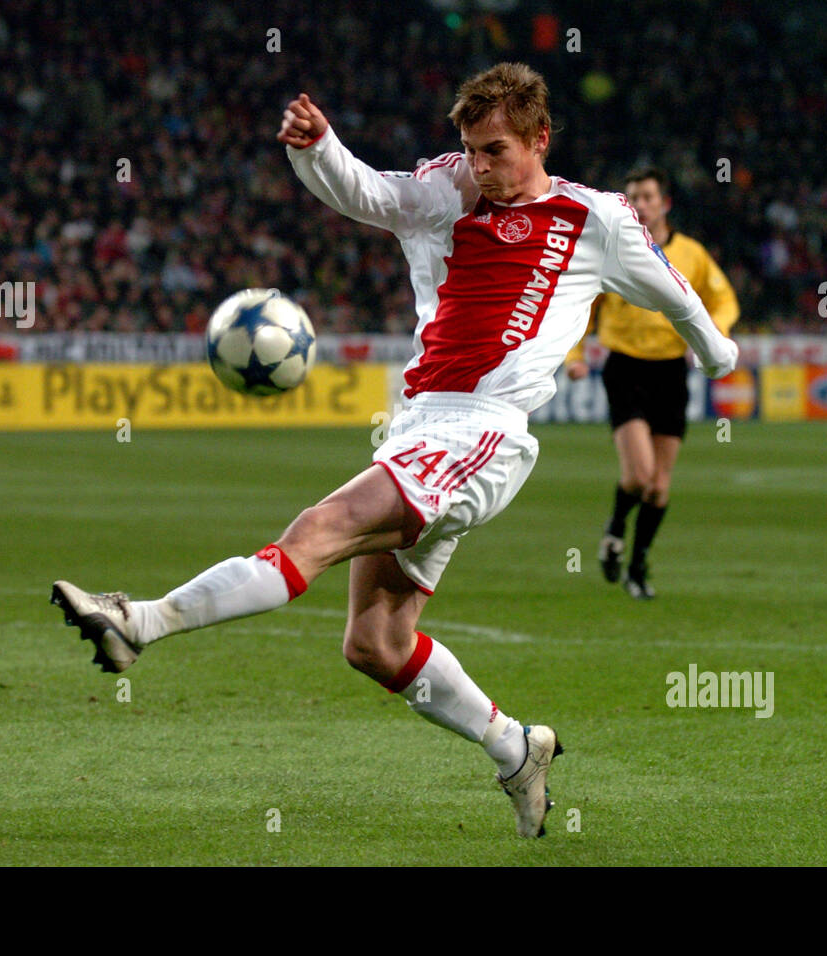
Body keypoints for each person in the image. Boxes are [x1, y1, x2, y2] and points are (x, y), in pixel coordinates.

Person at [51, 63, 737, 837]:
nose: (482, 167)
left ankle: (137, 622)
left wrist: (718, 355)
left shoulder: (594, 218)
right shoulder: (448, 192)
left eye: (497, 151)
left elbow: (674, 289)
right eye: (472, 149)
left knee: (316, 531)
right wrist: (319, 148)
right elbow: (369, 194)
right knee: (375, 643)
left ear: (541, 139)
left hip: (484, 432)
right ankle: (516, 748)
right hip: (420, 427)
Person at [565, 167, 739, 598]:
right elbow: (583, 306)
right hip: (625, 368)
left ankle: (637, 564)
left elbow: (724, 301)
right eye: (632, 197)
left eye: (646, 196)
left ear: (665, 203)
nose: (639, 204)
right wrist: (574, 354)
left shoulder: (692, 254)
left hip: (670, 373)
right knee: (640, 476)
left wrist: (708, 340)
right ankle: (616, 528)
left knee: (660, 485)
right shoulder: (611, 252)